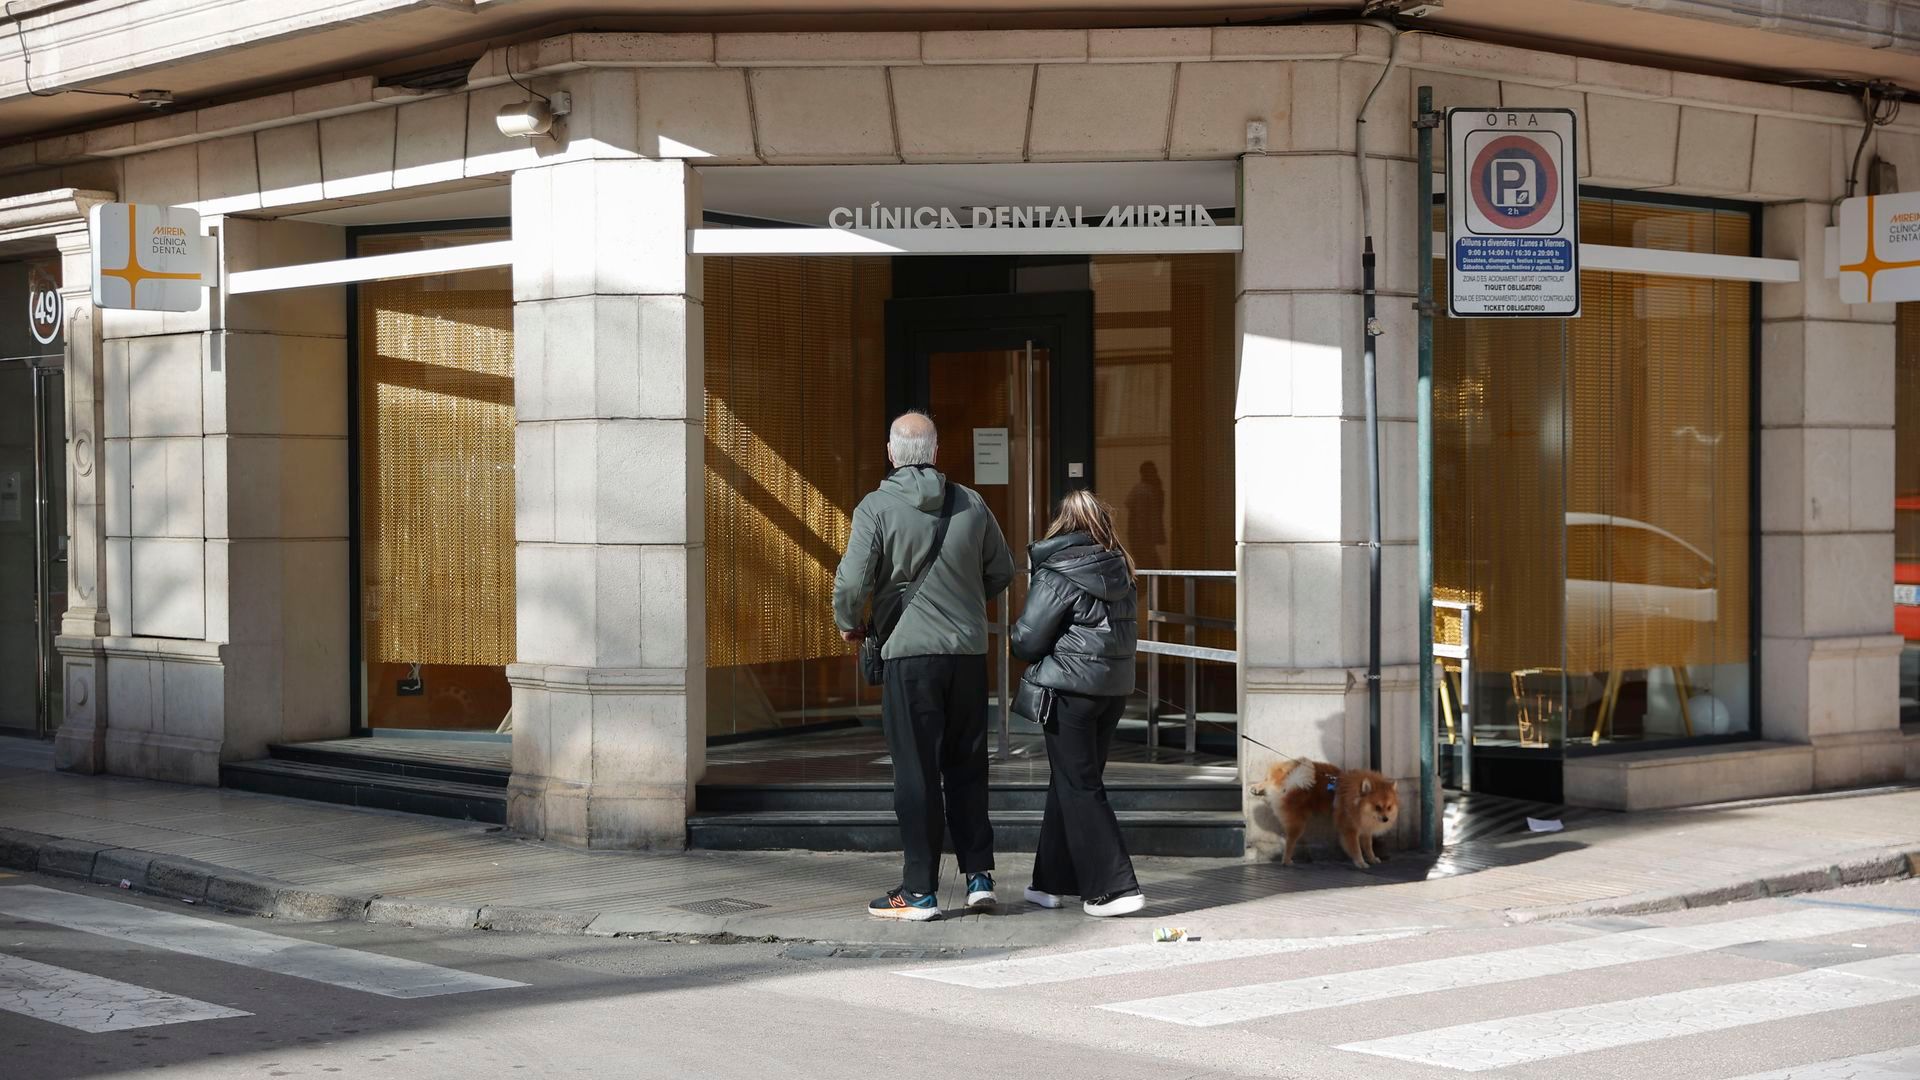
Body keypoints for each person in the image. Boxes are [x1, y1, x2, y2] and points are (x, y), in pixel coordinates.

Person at [833, 411, 1015, 921]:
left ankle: (919, 891)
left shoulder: (876, 507)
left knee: (915, 771)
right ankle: (979, 877)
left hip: (910, 659)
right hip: (967, 657)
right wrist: (963, 604)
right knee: (967, 766)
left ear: (892, 454)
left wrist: (849, 623)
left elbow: (851, 584)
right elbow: (1001, 570)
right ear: (935, 454)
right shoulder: (972, 503)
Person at [1010, 489, 1146, 917]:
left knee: (1080, 785)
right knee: (1069, 783)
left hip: (1069, 694)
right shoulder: (1121, 568)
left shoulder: (1057, 571)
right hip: (1111, 694)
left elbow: (1028, 641)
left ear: (1060, 525)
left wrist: (1016, 635)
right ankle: (1049, 883)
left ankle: (1114, 888)